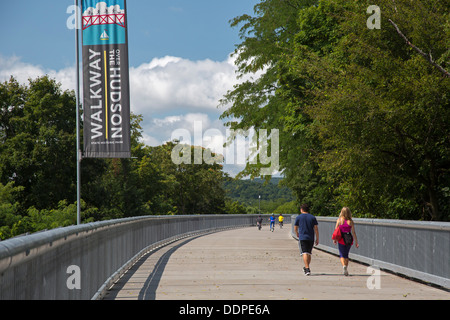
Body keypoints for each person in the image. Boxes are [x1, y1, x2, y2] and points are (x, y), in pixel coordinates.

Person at [333, 207, 359, 276]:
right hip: (349, 239)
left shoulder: (339, 220)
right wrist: (356, 241)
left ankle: (344, 266)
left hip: (341, 239)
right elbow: (353, 232)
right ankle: (346, 269)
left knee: (341, 254)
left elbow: (336, 231)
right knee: (346, 255)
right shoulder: (350, 221)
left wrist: (335, 239)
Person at [294, 204, 319, 275]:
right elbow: (316, 229)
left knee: (304, 252)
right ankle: (306, 266)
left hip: (302, 237)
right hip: (311, 237)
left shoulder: (298, 217)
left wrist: (297, 233)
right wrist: (317, 238)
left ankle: (307, 268)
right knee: (309, 253)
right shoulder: (312, 217)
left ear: (301, 209)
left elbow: (295, 227)